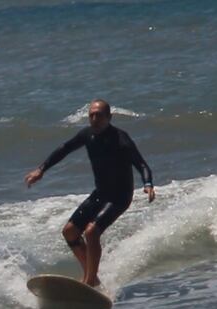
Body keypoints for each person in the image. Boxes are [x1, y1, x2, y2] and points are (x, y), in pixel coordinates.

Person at [24, 99, 155, 287]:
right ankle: (91, 275)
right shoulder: (87, 135)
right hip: (100, 194)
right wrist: (41, 169)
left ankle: (90, 279)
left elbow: (141, 164)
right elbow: (64, 149)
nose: (94, 118)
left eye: (99, 115)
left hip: (119, 196)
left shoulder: (121, 138)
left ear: (109, 117)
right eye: (91, 115)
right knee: (69, 232)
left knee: (91, 232)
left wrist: (148, 184)